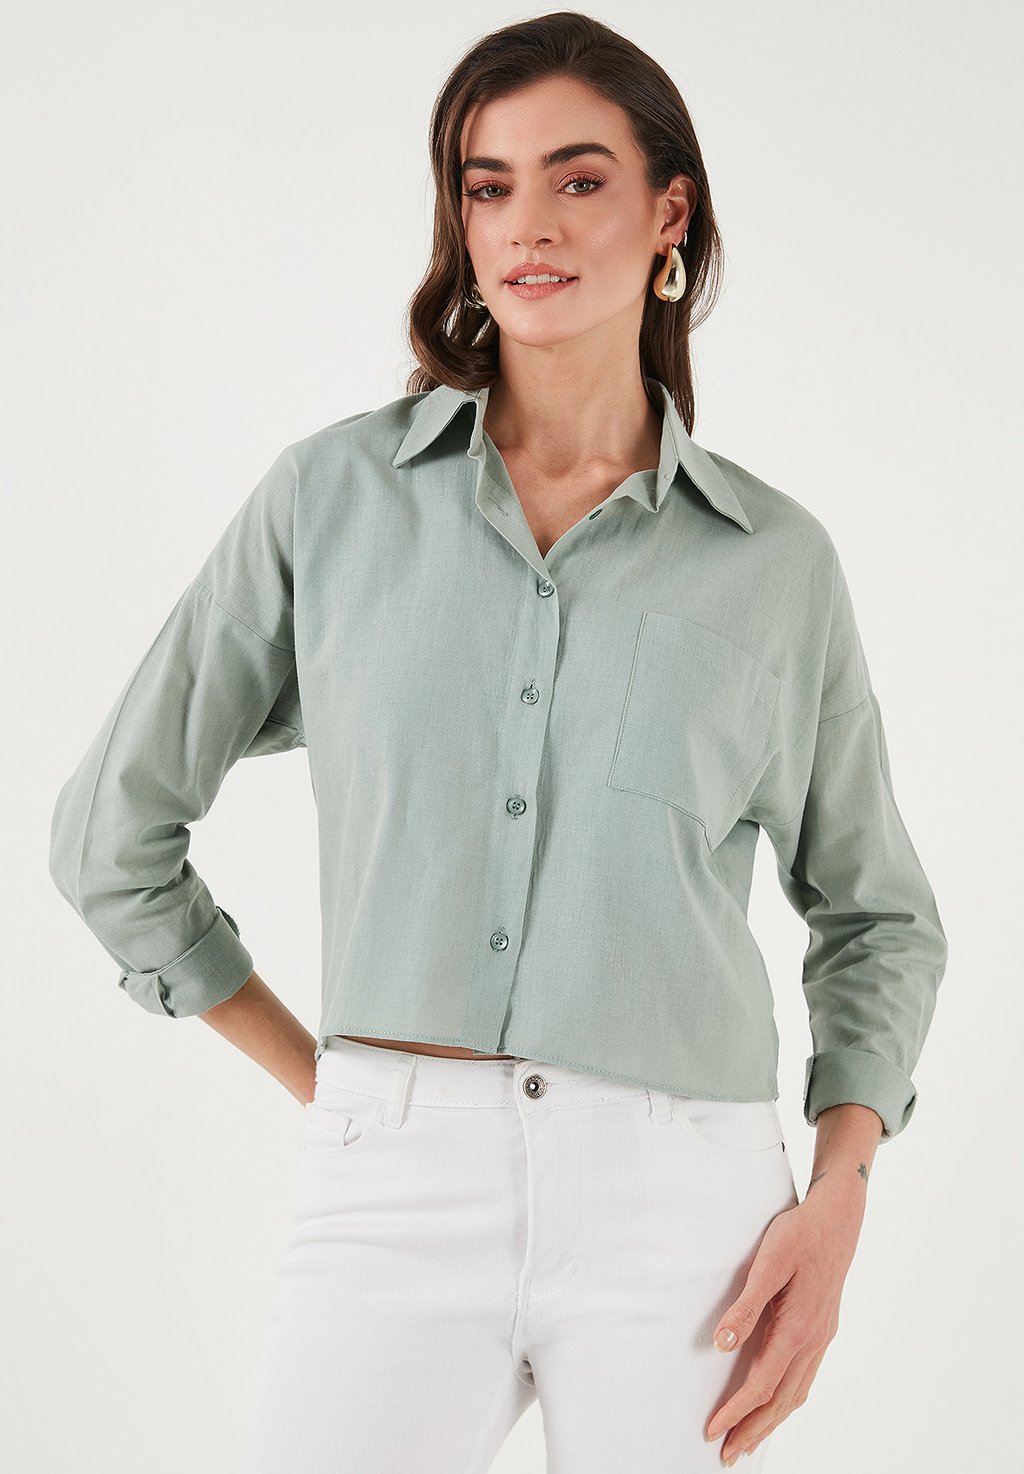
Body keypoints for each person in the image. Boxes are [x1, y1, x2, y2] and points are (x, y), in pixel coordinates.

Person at [48, 12, 948, 1473]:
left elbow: (879, 915)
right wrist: (339, 1090)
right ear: (459, 222)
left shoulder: (777, 563)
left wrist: (841, 1192)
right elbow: (111, 839)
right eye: (488, 185)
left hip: (691, 1211)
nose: (529, 223)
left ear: (670, 213)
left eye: (579, 180)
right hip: (391, 1186)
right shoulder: (331, 501)